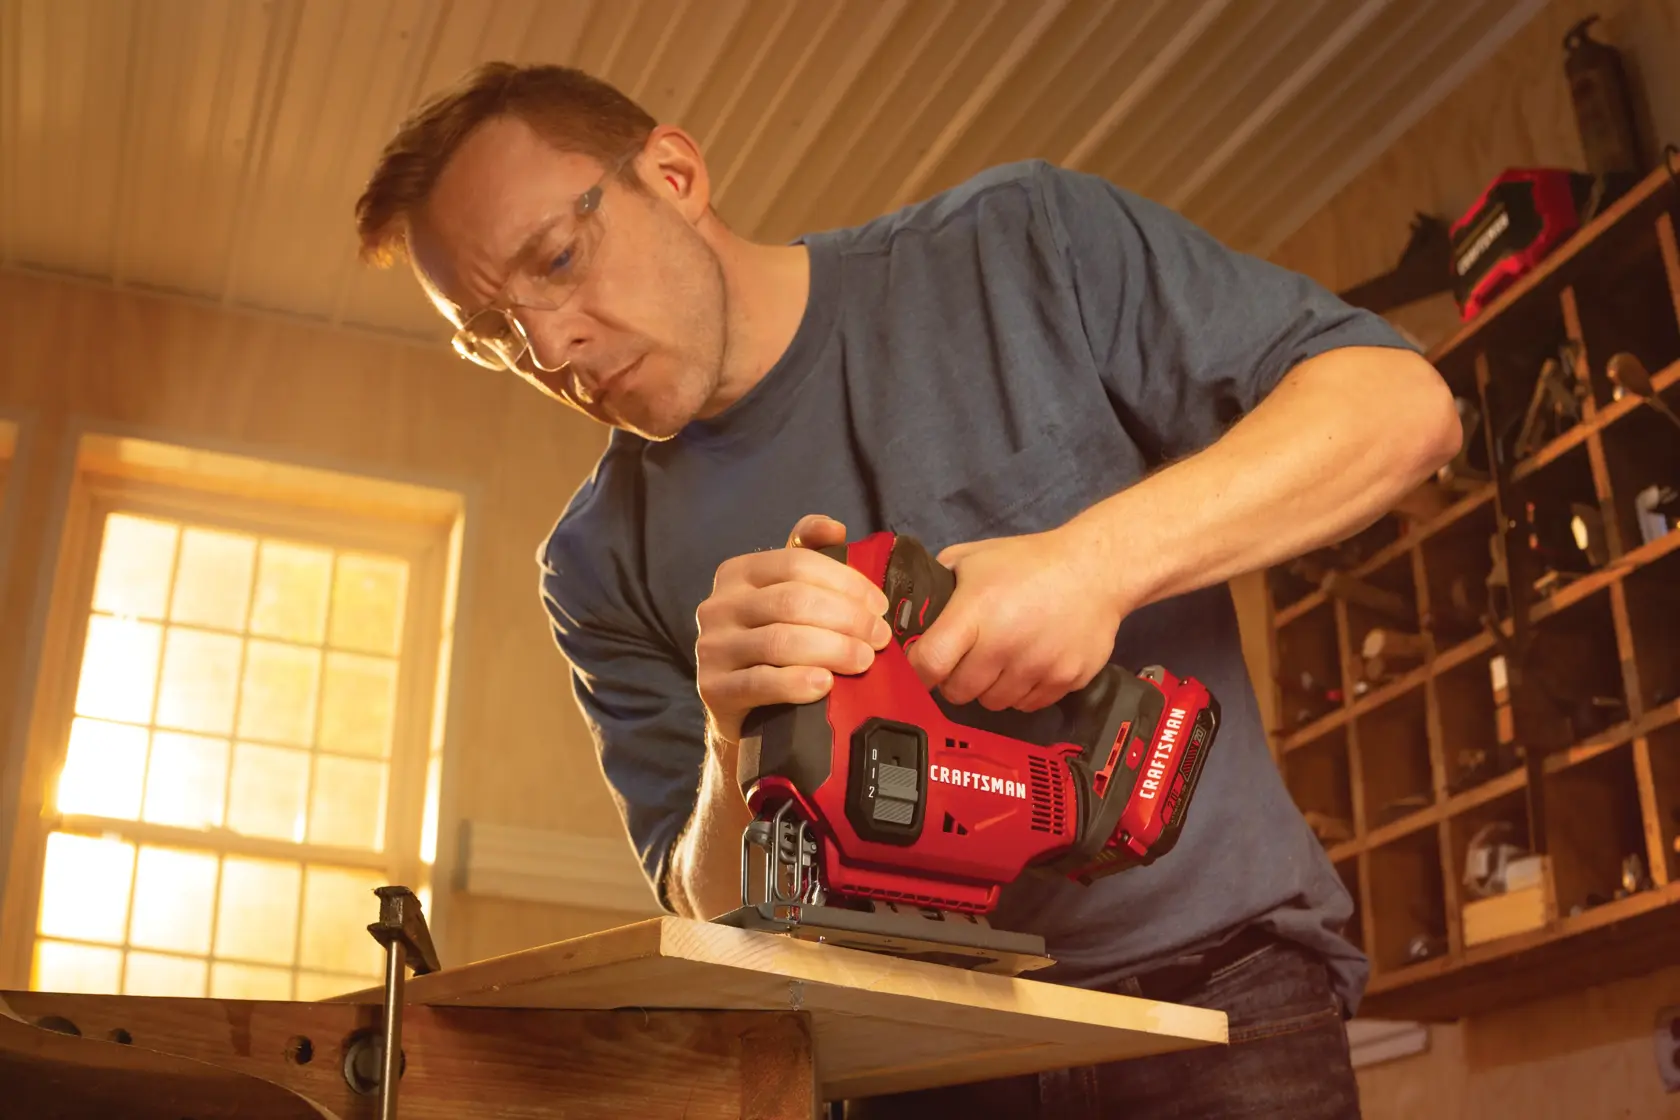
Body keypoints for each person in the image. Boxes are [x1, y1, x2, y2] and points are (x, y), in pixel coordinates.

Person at [354, 62, 1460, 1119]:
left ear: (675, 177)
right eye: (492, 337)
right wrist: (730, 740)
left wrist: (1094, 563)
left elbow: (1399, 407)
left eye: (555, 262)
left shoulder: (1016, 243)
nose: (551, 348)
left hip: (1217, 999)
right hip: (907, 1063)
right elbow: (707, 907)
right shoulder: (596, 562)